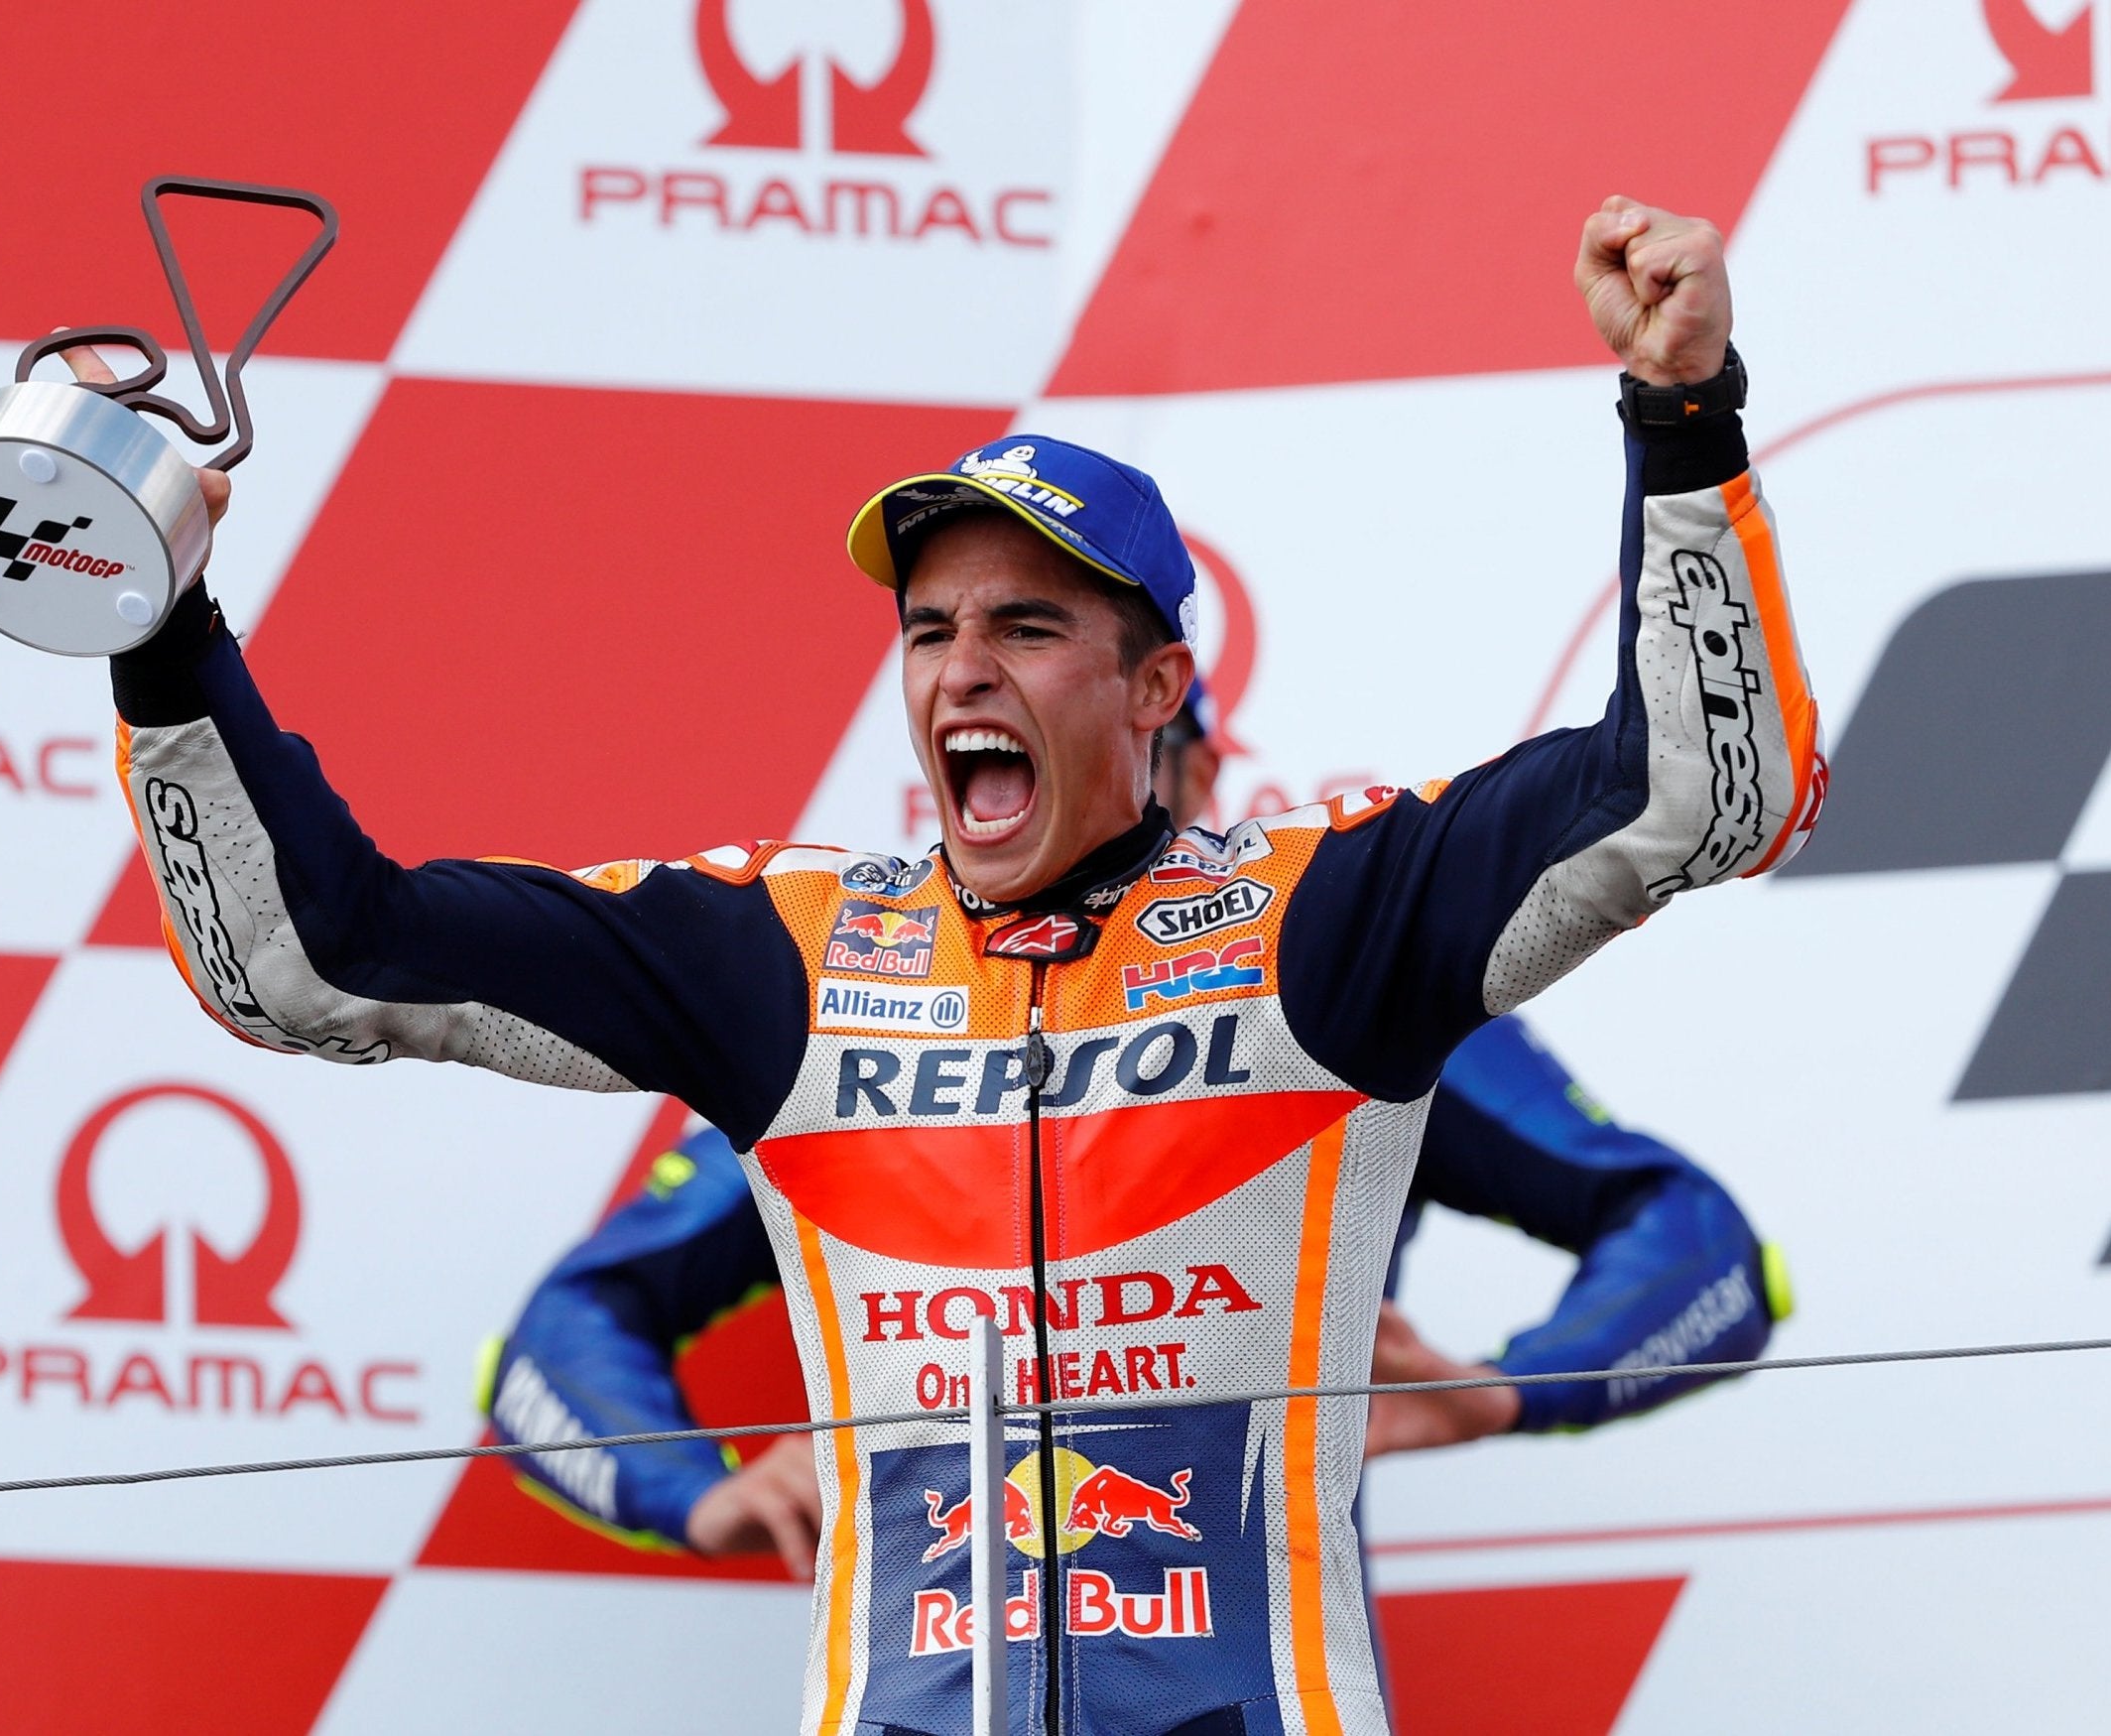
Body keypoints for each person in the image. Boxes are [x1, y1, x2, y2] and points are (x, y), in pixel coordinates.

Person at [95, 198, 1822, 1736]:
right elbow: (303, 962)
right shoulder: (776, 952)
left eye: (1026, 625)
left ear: (1157, 695)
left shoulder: (1330, 920)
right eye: (928, 630)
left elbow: (1699, 790)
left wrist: (1681, 421)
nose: (959, 668)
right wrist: (160, 627)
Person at [481, 699, 1792, 1584]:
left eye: (1126, 750)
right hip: (925, 1683)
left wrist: (1511, 1385)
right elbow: (553, 1338)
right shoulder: (869, 1017)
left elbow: (1709, 1257)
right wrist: (694, 1492)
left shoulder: (1337, 983)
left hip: (1256, 1674)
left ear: (1201, 770)